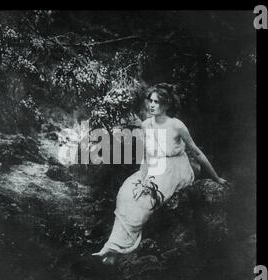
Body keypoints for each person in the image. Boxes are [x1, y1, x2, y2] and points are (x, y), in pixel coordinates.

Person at [92, 83, 229, 264]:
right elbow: (147, 154)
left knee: (145, 198)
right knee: (126, 192)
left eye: (157, 101)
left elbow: (196, 152)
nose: (152, 104)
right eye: (150, 100)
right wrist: (143, 176)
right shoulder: (146, 124)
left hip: (175, 168)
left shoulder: (177, 125)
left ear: (167, 105)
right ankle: (114, 247)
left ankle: (115, 249)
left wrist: (216, 177)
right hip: (153, 166)